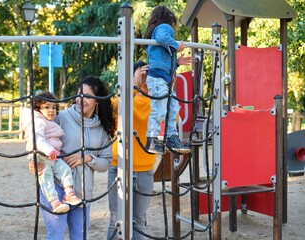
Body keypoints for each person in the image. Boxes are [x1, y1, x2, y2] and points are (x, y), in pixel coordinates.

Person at [29, 76, 116, 240]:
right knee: (55, 235)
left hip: (83, 192)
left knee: (80, 237)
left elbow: (105, 163)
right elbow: (38, 138)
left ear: (97, 100)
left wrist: (88, 158)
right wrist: (34, 161)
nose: (80, 99)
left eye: (87, 96)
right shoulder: (61, 117)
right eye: (78, 94)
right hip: (56, 189)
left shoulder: (102, 130)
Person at [107, 60, 155, 240]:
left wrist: (161, 87)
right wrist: (134, 84)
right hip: (118, 165)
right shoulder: (124, 96)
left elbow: (172, 118)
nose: (144, 78)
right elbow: (116, 107)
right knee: (115, 218)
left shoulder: (156, 100)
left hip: (144, 169)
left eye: (146, 74)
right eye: (141, 74)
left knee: (139, 219)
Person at [21, 91, 81, 214]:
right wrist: (49, 150)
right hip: (42, 157)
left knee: (65, 170)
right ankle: (54, 202)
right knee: (46, 177)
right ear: (38, 109)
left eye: (54, 107)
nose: (51, 110)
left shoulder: (50, 121)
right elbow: (37, 139)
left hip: (53, 156)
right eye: (47, 107)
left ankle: (69, 193)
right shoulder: (38, 121)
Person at [144, 5, 192, 155]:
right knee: (159, 109)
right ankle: (152, 139)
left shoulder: (158, 32)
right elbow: (162, 38)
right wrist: (177, 45)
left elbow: (163, 59)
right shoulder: (164, 27)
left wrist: (177, 62)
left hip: (163, 77)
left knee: (172, 109)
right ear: (172, 23)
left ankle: (172, 136)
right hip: (158, 78)